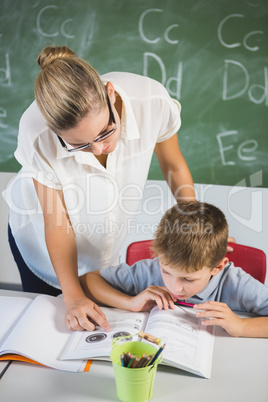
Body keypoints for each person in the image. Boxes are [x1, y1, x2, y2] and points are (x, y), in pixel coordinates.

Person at [3, 46, 196, 332]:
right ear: (54, 130)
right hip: (44, 244)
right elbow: (57, 225)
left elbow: (173, 165)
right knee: (54, 327)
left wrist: (196, 222)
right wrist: (72, 298)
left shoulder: (151, 100)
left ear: (111, 93)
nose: (98, 149)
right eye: (79, 145)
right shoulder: (37, 134)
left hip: (103, 242)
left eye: (106, 131)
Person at [80, 201, 268, 337]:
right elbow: (87, 281)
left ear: (217, 267)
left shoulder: (237, 283)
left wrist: (242, 326)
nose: (174, 287)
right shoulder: (149, 270)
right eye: (166, 271)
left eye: (188, 279)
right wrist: (129, 302)